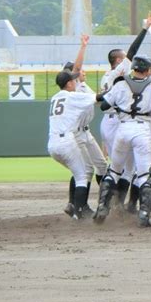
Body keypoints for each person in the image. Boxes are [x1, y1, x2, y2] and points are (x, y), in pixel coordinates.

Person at [95, 53, 151, 227]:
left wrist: (121, 103)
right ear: (148, 70)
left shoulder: (120, 84)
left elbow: (104, 106)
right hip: (142, 129)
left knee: (114, 171)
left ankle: (102, 207)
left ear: (134, 68)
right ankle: (144, 214)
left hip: (123, 128)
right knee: (143, 174)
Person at [100, 13, 151, 210]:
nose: (128, 61)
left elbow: (103, 103)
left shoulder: (107, 76)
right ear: (117, 61)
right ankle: (119, 205)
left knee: (116, 168)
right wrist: (145, 29)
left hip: (110, 122)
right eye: (124, 58)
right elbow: (133, 51)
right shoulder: (118, 72)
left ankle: (109, 204)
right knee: (129, 169)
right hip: (122, 122)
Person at [62, 35, 108, 218]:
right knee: (84, 170)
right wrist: (83, 46)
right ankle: (77, 206)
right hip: (76, 135)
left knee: (102, 166)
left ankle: (105, 202)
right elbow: (78, 67)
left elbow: (98, 100)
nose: (82, 72)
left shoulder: (82, 87)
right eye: (77, 72)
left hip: (86, 133)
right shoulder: (70, 91)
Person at [48, 70, 104, 219]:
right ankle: (78, 212)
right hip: (67, 142)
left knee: (80, 172)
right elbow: (98, 97)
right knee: (82, 176)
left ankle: (76, 208)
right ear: (69, 83)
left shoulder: (55, 98)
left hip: (52, 144)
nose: (75, 82)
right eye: (73, 80)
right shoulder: (71, 97)